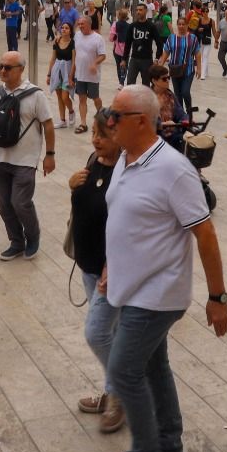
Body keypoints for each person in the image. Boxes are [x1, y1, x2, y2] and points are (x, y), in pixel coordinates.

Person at [99, 83, 227, 452]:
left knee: (123, 370)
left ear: (141, 121)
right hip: (130, 285)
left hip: (157, 294)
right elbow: (123, 217)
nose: (108, 121)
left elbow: (205, 234)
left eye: (115, 115)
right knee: (154, 367)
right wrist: (109, 264)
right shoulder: (127, 157)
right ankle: (170, 447)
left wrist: (218, 298)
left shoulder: (174, 169)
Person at [69, 111, 124, 434]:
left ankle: (120, 395)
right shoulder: (94, 159)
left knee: (97, 333)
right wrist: (71, 185)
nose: (96, 138)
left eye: (103, 133)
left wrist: (113, 264)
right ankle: (114, 390)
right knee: (111, 333)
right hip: (88, 263)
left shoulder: (125, 169)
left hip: (111, 270)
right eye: (94, 131)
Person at [0, 50, 56, 260]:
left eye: (7, 67)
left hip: (25, 160)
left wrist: (50, 155)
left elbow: (48, 125)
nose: (2, 71)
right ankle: (16, 242)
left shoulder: (36, 95)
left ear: (21, 69)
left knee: (20, 202)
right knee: (5, 205)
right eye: (0, 66)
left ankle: (33, 236)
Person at [72, 14, 108, 132]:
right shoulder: (77, 35)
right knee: (82, 99)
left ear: (89, 24)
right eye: (79, 23)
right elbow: (74, 53)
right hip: (80, 74)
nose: (80, 26)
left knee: (95, 98)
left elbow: (103, 55)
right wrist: (72, 73)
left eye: (82, 24)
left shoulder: (98, 38)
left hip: (93, 76)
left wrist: (94, 63)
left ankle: (102, 116)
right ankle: (83, 124)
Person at [161, 21, 202, 119]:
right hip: (175, 70)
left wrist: (199, 68)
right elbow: (166, 52)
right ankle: (181, 117)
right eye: (179, 24)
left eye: (183, 24)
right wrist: (161, 65)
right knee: (177, 95)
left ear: (187, 25)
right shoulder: (171, 38)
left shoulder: (192, 38)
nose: (181, 26)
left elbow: (197, 53)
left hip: (188, 70)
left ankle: (189, 114)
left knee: (185, 92)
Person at [124, 3, 162, 85]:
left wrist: (157, 58)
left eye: (140, 10)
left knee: (146, 84)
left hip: (147, 60)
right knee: (130, 83)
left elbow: (159, 43)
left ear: (146, 11)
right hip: (134, 59)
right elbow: (127, 44)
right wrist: (124, 59)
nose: (138, 12)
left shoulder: (151, 26)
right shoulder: (132, 26)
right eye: (137, 10)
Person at [48, 22, 75, 128]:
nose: (64, 29)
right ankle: (62, 120)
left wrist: (71, 76)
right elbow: (53, 58)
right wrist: (49, 74)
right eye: (62, 28)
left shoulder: (73, 43)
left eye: (66, 28)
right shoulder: (56, 42)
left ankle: (71, 111)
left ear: (70, 31)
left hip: (67, 72)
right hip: (56, 71)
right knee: (59, 97)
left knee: (65, 97)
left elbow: (74, 61)